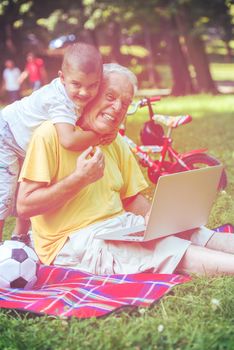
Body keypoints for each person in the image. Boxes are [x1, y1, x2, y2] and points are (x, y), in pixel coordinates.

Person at [17, 63, 234, 277]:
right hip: (72, 240)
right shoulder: (50, 135)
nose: (118, 107)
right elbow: (24, 206)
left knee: (193, 231)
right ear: (92, 94)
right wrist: (79, 179)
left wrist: (153, 218)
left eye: (125, 103)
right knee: (167, 250)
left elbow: (131, 199)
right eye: (110, 97)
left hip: (119, 226)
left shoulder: (114, 140)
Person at [0, 42, 116, 243]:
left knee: (34, 185)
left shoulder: (77, 96)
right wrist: (98, 135)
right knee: (4, 194)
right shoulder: (59, 100)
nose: (84, 92)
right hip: (7, 137)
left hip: (24, 141)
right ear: (62, 78)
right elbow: (69, 140)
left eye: (92, 85)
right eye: (76, 84)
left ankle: (20, 237)